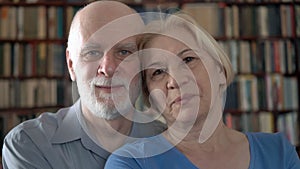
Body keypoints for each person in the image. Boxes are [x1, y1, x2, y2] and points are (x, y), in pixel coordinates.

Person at [104, 12, 300, 169]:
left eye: (188, 59)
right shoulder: (130, 163)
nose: (175, 80)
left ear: (220, 72)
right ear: (151, 100)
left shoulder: (279, 152)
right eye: (158, 72)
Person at [2, 1, 166, 169]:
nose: (108, 69)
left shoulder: (169, 140)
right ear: (71, 65)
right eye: (92, 52)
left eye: (124, 52)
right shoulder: (29, 145)